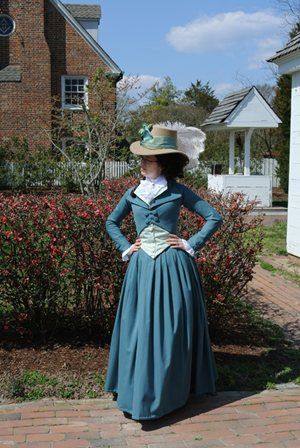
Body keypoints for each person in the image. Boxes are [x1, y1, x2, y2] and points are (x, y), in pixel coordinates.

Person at [104, 124, 223, 421]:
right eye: (142, 158)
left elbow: (213, 217)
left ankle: (169, 394)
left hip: (174, 268)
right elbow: (111, 222)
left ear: (164, 163)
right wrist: (127, 247)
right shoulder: (133, 193)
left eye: (149, 159)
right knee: (139, 328)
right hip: (142, 268)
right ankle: (136, 390)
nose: (142, 163)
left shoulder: (179, 192)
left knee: (172, 330)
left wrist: (189, 242)